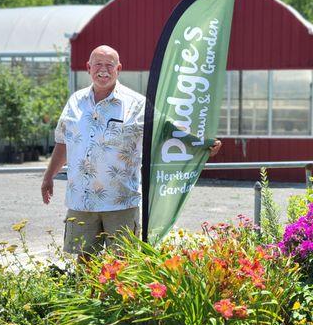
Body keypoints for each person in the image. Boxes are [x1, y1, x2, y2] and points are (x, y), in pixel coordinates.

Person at [41, 45, 222, 257]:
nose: (103, 70)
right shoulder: (75, 102)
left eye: (109, 65)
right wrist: (49, 176)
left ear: (119, 69)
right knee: (84, 264)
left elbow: (167, 129)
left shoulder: (136, 104)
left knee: (124, 265)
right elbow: (63, 142)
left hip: (121, 202)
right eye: (98, 64)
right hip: (81, 201)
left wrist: (200, 143)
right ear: (88, 68)